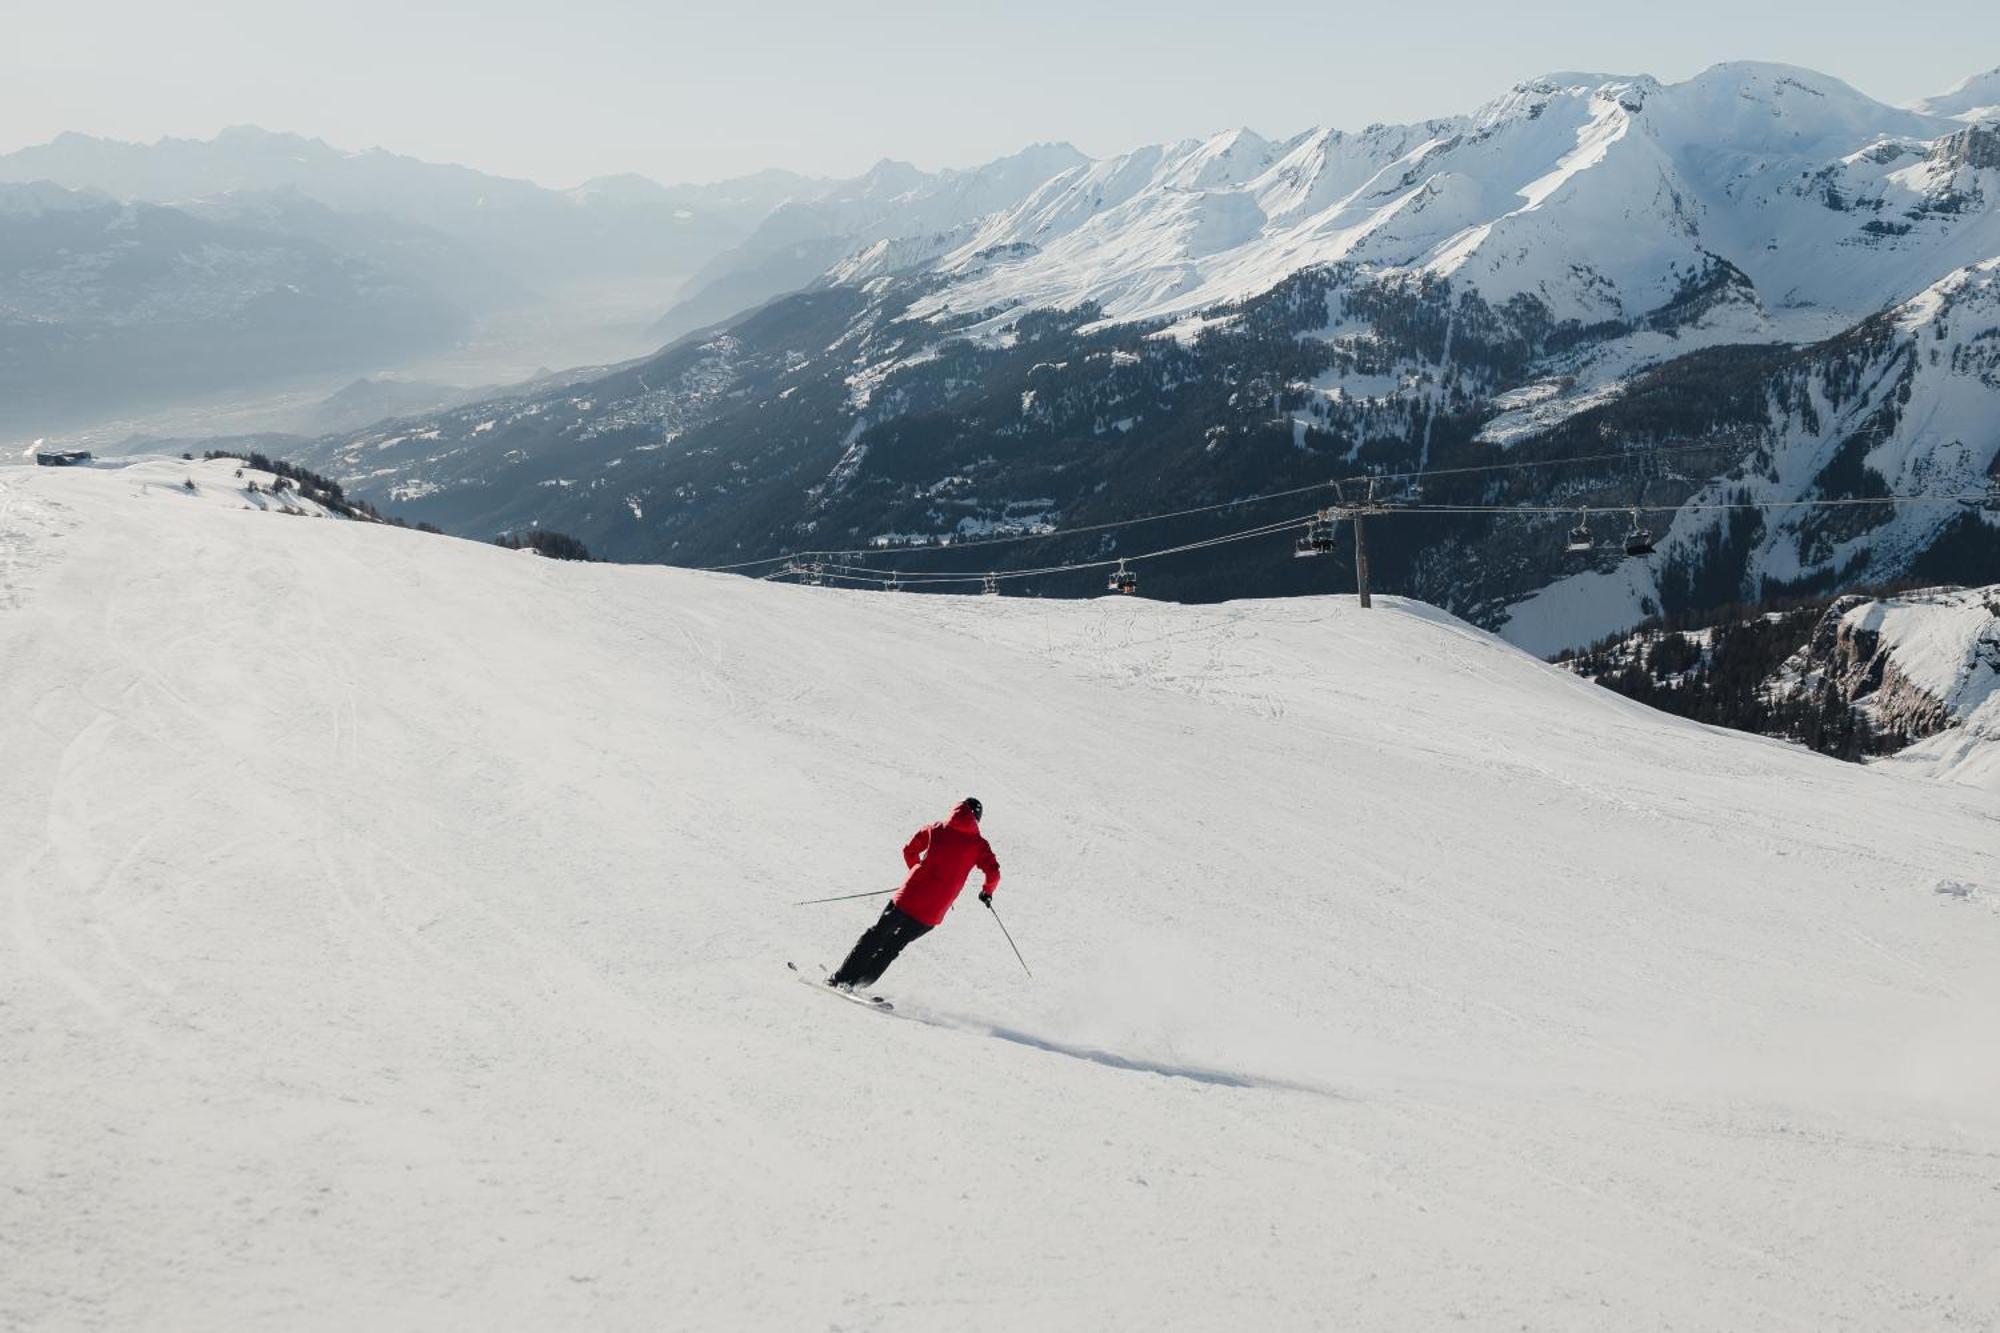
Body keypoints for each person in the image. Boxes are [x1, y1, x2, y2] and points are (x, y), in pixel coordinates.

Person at [828, 797, 1000, 991]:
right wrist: (987, 892)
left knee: (875, 936)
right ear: (977, 819)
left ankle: (841, 978)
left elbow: (910, 850)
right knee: (893, 946)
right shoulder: (978, 845)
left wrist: (916, 872)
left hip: (908, 898)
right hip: (933, 911)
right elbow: (994, 873)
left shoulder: (936, 829)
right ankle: (860, 984)